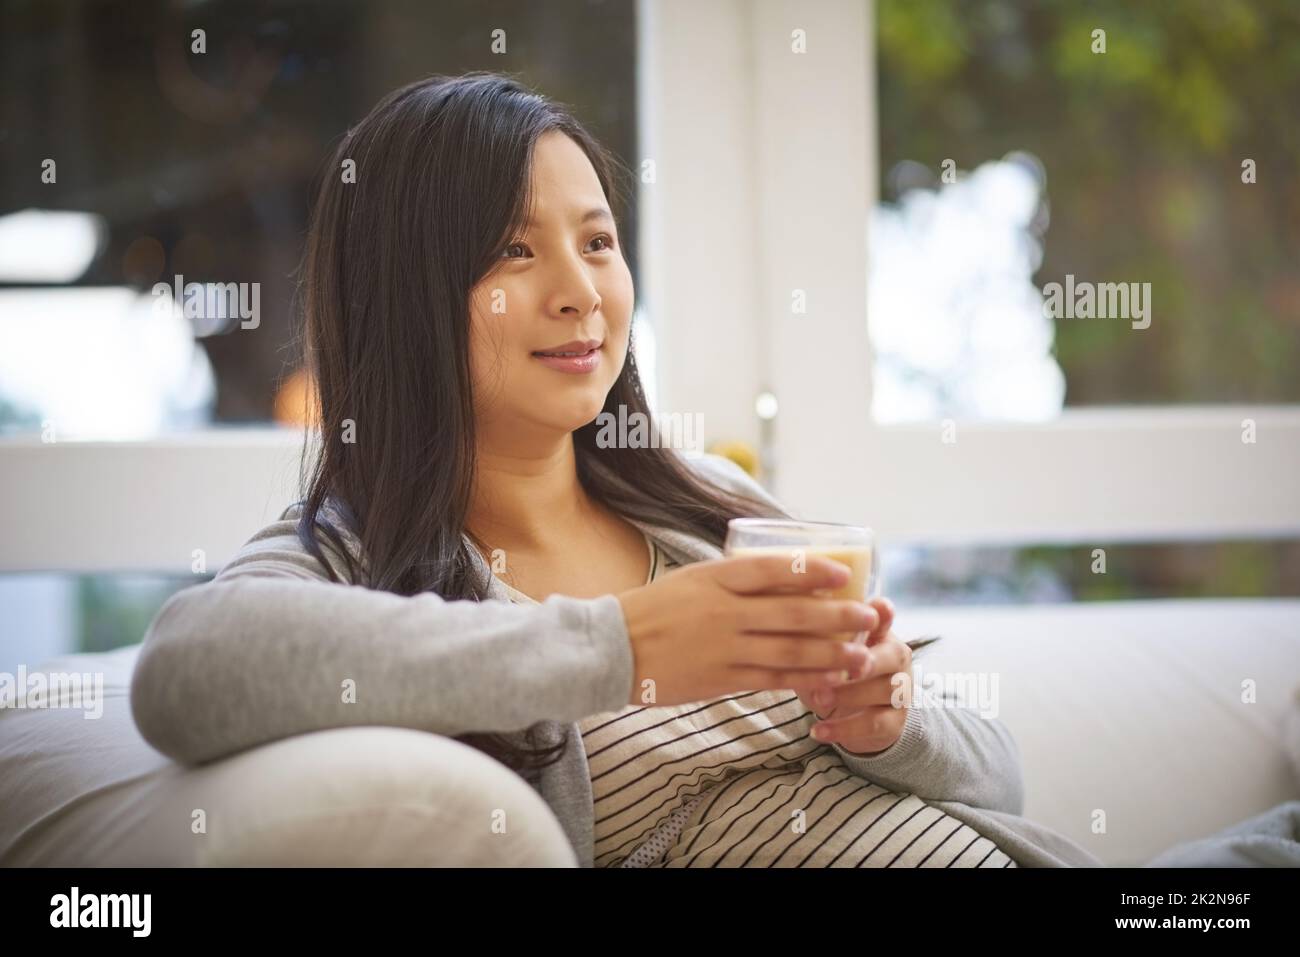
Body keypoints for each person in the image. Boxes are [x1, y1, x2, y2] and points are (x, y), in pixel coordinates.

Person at [132, 72, 1291, 868]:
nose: (581, 290)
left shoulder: (707, 514)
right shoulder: (354, 557)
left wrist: (884, 722)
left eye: (596, 241)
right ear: (403, 293)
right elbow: (186, 671)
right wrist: (621, 649)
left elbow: (998, 785)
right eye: (512, 250)